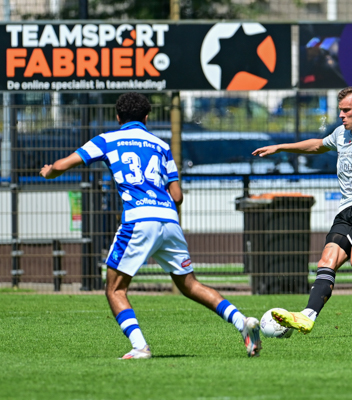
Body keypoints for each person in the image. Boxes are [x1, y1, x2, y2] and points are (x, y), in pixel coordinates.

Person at [40, 92, 262, 359]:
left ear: (118, 117)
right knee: (190, 285)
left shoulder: (107, 140)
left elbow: (63, 164)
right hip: (169, 219)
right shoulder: (161, 145)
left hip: (138, 219)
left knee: (115, 288)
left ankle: (140, 347)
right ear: (146, 118)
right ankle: (241, 322)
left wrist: (49, 171)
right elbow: (177, 196)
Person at [252, 86, 352, 334]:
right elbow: (318, 145)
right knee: (326, 261)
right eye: (340, 110)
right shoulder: (341, 133)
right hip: (346, 208)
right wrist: (281, 147)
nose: (341, 115)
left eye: (347, 110)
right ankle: (308, 316)